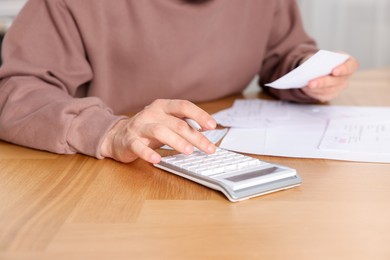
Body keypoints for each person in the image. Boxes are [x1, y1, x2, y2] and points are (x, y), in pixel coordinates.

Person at [0, 0, 359, 164]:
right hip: (103, 176)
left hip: (219, 160)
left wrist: (310, 74)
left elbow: (281, 55)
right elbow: (15, 94)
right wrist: (109, 132)